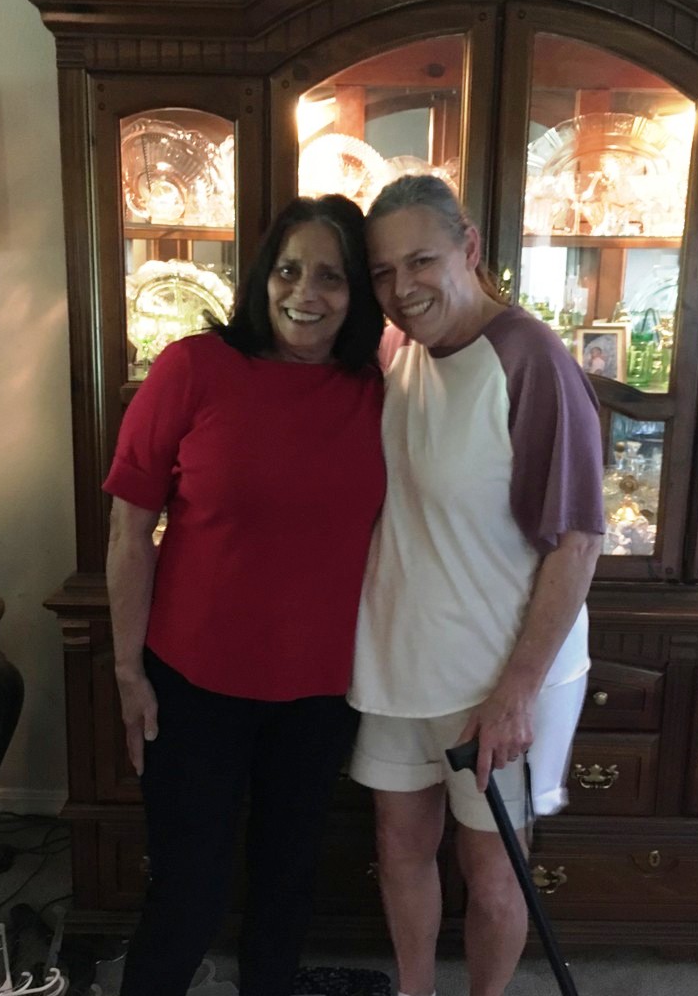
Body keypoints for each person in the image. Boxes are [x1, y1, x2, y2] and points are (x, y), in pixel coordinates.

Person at [103, 194, 385, 996]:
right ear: (263, 277)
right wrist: (127, 672)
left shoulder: (379, 391)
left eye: (331, 276)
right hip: (193, 684)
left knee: (288, 886)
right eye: (289, 270)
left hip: (320, 692)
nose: (305, 293)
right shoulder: (191, 368)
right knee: (186, 892)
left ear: (358, 292)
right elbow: (130, 531)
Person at [348, 175, 605, 996]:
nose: (402, 287)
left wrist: (516, 690)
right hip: (400, 659)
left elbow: (578, 541)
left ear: (469, 247)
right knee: (400, 846)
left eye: (420, 260)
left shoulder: (530, 360)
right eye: (383, 271)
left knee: (492, 871)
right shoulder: (402, 354)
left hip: (497, 672)